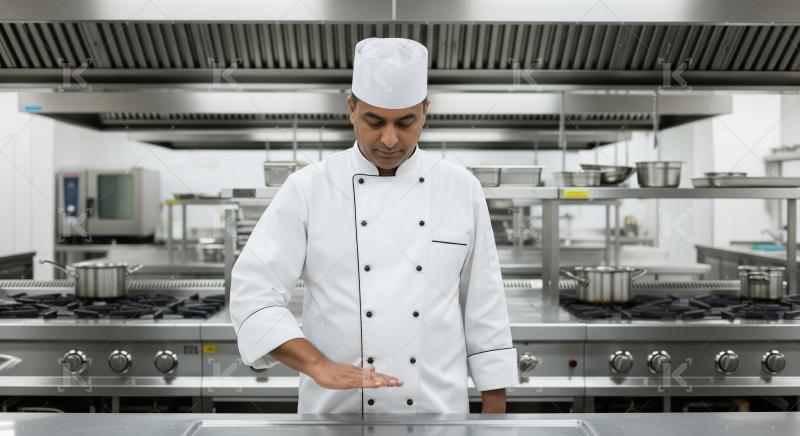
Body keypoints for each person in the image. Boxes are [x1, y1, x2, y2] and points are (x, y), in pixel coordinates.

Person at [230, 37, 518, 414]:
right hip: (336, 415)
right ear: (351, 108)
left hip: (438, 414)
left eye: (405, 122)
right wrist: (317, 364)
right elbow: (254, 293)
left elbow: (485, 305)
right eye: (374, 121)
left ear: (425, 111)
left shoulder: (460, 187)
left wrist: (494, 411)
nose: (389, 139)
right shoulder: (309, 187)